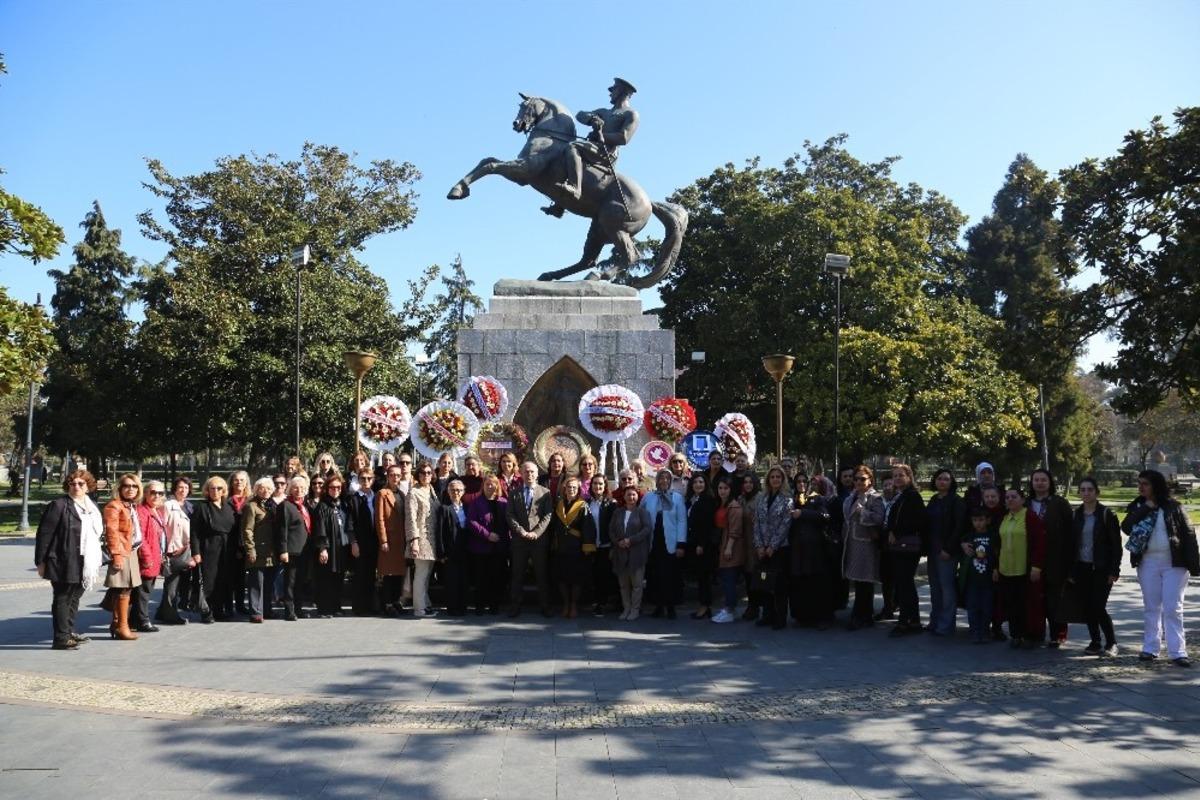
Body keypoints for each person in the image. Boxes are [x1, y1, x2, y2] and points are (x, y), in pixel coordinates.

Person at [1123, 469, 1200, 666]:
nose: (1140, 487)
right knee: (1152, 607)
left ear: (1156, 485)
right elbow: (1126, 526)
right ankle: (1150, 648)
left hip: (1174, 563)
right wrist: (1146, 508)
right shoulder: (1138, 505)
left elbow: (1189, 535)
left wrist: (1194, 564)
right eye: (1139, 483)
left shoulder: (1174, 507)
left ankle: (1177, 651)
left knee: (1173, 607)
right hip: (1147, 563)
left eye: (1145, 484)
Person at [34, 469, 103, 649]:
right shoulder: (59, 505)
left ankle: (69, 631)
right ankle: (61, 638)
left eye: (81, 484)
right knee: (63, 597)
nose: (76, 487)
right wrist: (40, 562)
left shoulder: (91, 506)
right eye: (72, 484)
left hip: (85, 559)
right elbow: (44, 534)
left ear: (88, 487)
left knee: (74, 597)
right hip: (62, 558)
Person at [553, 77, 639, 203]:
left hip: (606, 152)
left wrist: (601, 135)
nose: (610, 93)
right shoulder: (604, 112)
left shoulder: (630, 114)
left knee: (573, 147)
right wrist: (592, 118)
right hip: (593, 147)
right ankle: (560, 204)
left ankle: (575, 188)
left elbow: (624, 138)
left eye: (613, 90)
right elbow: (580, 115)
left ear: (621, 91)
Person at [1071, 477, 1122, 655]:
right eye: (1083, 490)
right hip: (1081, 567)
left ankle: (1112, 642)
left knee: (1098, 606)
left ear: (1096, 492)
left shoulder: (1107, 514)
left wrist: (1114, 570)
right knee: (1087, 606)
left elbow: (1116, 545)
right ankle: (1095, 641)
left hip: (1101, 568)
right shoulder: (1076, 515)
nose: (1086, 493)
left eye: (1090, 489)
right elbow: (1072, 544)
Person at [1027, 468, 1075, 647]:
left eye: (1043, 480)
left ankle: (1057, 634)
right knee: (1035, 599)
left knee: (1055, 600)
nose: (1039, 483)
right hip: (1031, 559)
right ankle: (1035, 633)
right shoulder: (1026, 503)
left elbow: (1070, 532)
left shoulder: (1060, 503)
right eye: (1036, 480)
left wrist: (1070, 562)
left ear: (1050, 483)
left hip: (1056, 559)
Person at [996, 487, 1047, 649]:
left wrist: (1036, 566)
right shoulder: (1004, 518)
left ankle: (1031, 634)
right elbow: (998, 545)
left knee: (1027, 604)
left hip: (1024, 569)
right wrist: (996, 567)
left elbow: (1040, 543)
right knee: (1011, 605)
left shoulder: (1029, 517)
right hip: (1006, 569)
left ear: (1022, 499)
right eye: (1007, 497)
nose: (1010, 500)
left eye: (1014, 497)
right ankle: (1016, 635)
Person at [883, 464, 926, 637]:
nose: (898, 479)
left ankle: (905, 621)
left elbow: (917, 521)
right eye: (895, 476)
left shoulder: (913, 496)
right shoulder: (900, 496)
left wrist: (896, 532)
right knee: (904, 583)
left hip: (907, 546)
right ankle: (913, 620)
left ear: (909, 477)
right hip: (898, 545)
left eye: (901, 475)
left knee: (905, 583)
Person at [508, 460, 554, 617]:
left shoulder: (545, 492)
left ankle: (545, 605)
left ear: (537, 474)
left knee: (541, 574)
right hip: (519, 541)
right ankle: (515, 605)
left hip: (538, 541)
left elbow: (548, 515)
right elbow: (510, 515)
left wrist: (536, 533)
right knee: (517, 574)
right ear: (521, 473)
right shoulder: (514, 493)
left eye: (532, 472)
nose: (529, 474)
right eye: (526, 471)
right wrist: (520, 531)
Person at [842, 466, 885, 630]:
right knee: (858, 581)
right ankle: (863, 614)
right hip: (851, 543)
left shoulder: (875, 498)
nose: (859, 482)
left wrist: (863, 513)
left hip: (866, 544)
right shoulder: (851, 497)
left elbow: (879, 518)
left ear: (870, 480)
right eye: (856, 479)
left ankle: (861, 615)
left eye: (862, 479)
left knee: (865, 581)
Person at [102, 473, 144, 640]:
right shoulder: (114, 506)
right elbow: (111, 533)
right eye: (127, 486)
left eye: (134, 486)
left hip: (131, 551)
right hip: (122, 551)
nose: (131, 489)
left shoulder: (130, 506)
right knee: (122, 588)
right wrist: (117, 555)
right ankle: (122, 627)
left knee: (127, 587)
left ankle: (117, 623)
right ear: (119, 488)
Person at [789, 473, 833, 629]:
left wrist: (803, 514)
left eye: (804, 481)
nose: (801, 484)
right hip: (797, 548)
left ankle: (822, 617)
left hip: (814, 548)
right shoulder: (792, 500)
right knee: (801, 582)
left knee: (816, 582)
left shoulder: (817, 498)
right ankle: (803, 615)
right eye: (798, 481)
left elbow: (825, 516)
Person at [925, 468, 967, 637]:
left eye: (946, 479)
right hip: (932, 550)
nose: (942, 481)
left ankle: (946, 625)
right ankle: (934, 621)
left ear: (951, 482)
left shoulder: (956, 501)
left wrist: (949, 549)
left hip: (947, 552)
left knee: (947, 588)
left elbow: (959, 527)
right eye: (940, 478)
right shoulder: (934, 499)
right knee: (934, 588)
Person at [190, 475, 236, 624]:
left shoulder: (229, 507)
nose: (216, 491)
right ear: (207, 491)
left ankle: (218, 609)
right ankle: (206, 611)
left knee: (223, 579)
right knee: (208, 580)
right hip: (209, 548)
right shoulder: (202, 507)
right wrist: (196, 552)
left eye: (219, 488)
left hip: (227, 548)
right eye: (212, 488)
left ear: (224, 491)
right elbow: (195, 531)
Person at [642, 469, 687, 618]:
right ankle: (658, 606)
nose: (664, 481)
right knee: (655, 575)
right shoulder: (649, 497)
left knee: (669, 575)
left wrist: (681, 544)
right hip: (654, 541)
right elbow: (641, 515)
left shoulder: (677, 498)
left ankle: (671, 606)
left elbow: (682, 521)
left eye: (667, 479)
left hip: (671, 541)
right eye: (661, 478)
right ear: (657, 480)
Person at [753, 465, 793, 630]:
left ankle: (780, 617)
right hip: (762, 548)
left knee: (779, 585)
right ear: (768, 480)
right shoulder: (761, 498)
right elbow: (756, 523)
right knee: (764, 583)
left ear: (782, 480)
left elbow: (785, 525)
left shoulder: (787, 500)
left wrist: (772, 546)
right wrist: (759, 545)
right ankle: (767, 614)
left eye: (778, 477)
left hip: (779, 549)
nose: (775, 479)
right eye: (772, 477)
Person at [312, 474, 354, 617]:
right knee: (326, 578)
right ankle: (325, 608)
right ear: (327, 489)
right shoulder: (322, 506)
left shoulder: (342, 504)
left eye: (338, 487)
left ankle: (336, 606)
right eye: (332, 487)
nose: (335, 490)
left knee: (338, 578)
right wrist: (323, 548)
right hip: (329, 548)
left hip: (341, 547)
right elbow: (320, 528)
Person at [467, 474, 509, 615]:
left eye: (493, 484)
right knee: (481, 578)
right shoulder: (476, 502)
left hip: (499, 547)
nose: (490, 486)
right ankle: (480, 606)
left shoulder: (503, 502)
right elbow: (471, 522)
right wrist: (487, 535)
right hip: (481, 547)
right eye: (487, 484)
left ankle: (494, 605)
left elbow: (508, 523)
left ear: (498, 486)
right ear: (483, 486)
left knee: (496, 577)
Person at [610, 485, 652, 621]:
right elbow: (611, 530)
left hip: (637, 554)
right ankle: (626, 608)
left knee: (637, 585)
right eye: (628, 494)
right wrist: (618, 542)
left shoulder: (642, 512)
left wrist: (630, 540)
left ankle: (635, 610)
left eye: (633, 494)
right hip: (620, 553)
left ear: (637, 497)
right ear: (624, 496)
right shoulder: (618, 512)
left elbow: (647, 529)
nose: (631, 497)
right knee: (623, 585)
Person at [131, 480, 167, 633]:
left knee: (145, 590)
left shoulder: (156, 511)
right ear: (145, 493)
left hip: (155, 556)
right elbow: (141, 538)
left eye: (160, 493)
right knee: (143, 592)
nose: (156, 496)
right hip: (147, 558)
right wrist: (147, 557)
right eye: (153, 492)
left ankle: (134, 620)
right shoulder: (142, 511)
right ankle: (143, 621)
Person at [275, 475, 311, 621]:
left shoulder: (303, 505)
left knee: (300, 581)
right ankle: (289, 611)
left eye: (302, 488)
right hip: (291, 550)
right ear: (290, 489)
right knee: (290, 581)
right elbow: (282, 529)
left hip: (303, 550)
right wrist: (283, 550)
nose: (299, 490)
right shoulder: (286, 506)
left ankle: (298, 608)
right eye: (296, 487)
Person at [551, 476, 589, 618]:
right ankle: (566, 603)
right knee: (562, 578)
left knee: (575, 579)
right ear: (564, 489)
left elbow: (587, 528)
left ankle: (573, 604)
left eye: (574, 487)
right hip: (561, 547)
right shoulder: (559, 505)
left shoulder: (583, 506)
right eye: (569, 487)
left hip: (576, 548)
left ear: (578, 489)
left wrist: (587, 547)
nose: (571, 489)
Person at [158, 476, 194, 625]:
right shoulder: (168, 505)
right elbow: (162, 529)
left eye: (186, 488)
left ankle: (162, 611)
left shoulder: (190, 506)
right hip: (174, 550)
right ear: (174, 488)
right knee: (172, 583)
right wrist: (164, 551)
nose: (183, 490)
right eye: (180, 487)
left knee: (178, 583)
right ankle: (170, 614)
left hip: (187, 549)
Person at [406, 461, 440, 617]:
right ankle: (419, 608)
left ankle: (425, 603)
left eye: (428, 472)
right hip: (420, 539)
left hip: (432, 538)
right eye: (422, 473)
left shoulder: (431, 491)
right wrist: (413, 540)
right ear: (417, 475)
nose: (426, 475)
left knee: (427, 574)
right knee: (421, 573)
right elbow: (410, 518)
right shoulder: (414, 492)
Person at [375, 463, 409, 615]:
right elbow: (379, 519)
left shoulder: (401, 494)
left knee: (399, 573)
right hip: (389, 539)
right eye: (392, 475)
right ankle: (387, 603)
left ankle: (396, 601)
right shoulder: (382, 493)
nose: (395, 477)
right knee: (388, 573)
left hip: (400, 540)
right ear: (387, 477)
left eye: (398, 475)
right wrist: (383, 540)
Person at [242, 477, 277, 623]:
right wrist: (250, 550)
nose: (266, 491)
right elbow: (247, 530)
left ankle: (267, 610)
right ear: (256, 489)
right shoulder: (251, 506)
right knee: (256, 583)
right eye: (262, 488)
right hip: (258, 550)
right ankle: (256, 612)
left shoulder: (272, 505)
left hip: (271, 551)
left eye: (269, 488)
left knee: (268, 583)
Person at [962, 506, 999, 644]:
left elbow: (997, 554)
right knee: (972, 606)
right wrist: (962, 544)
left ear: (988, 520)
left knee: (987, 606)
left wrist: (996, 569)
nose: (978, 523)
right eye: (975, 520)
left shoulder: (993, 536)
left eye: (981, 520)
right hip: (972, 578)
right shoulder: (969, 536)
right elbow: (962, 543)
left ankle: (985, 630)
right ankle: (974, 630)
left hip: (988, 578)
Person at [435, 478, 472, 615]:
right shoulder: (444, 509)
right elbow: (439, 532)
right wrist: (441, 553)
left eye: (458, 490)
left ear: (463, 492)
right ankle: (452, 607)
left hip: (465, 550)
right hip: (450, 552)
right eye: (453, 490)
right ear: (448, 492)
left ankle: (463, 607)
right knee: (452, 581)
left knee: (463, 580)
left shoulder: (468, 508)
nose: (456, 493)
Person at [712, 477, 746, 624]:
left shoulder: (734, 507)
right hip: (722, 544)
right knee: (726, 579)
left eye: (725, 488)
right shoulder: (722, 504)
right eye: (720, 488)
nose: (722, 491)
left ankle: (730, 610)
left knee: (729, 579)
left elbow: (735, 530)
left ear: (731, 490)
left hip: (731, 547)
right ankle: (728, 608)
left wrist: (729, 547)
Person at [685, 473, 718, 619]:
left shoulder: (708, 500)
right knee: (700, 576)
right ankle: (703, 605)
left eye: (701, 482)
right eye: (696, 482)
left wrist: (701, 544)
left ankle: (705, 606)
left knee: (704, 577)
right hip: (692, 543)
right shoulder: (691, 500)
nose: (699, 484)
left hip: (703, 545)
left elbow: (707, 525)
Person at [583, 473, 617, 615]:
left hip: (605, 545)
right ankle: (594, 601)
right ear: (591, 486)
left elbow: (614, 527)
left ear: (605, 487)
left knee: (603, 575)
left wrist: (613, 546)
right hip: (591, 546)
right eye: (595, 484)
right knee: (592, 574)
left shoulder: (611, 504)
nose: (597, 486)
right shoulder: (586, 503)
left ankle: (602, 603)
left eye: (600, 484)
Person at [347, 467, 379, 616]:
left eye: (369, 478)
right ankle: (359, 607)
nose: (366, 481)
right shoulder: (353, 498)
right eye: (363, 478)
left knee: (371, 575)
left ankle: (369, 605)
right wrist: (353, 542)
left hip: (374, 542)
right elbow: (350, 523)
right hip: (360, 543)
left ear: (373, 480)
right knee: (360, 575)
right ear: (358, 480)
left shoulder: (376, 497)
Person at [226, 470, 251, 617]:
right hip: (229, 543)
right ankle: (229, 606)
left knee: (242, 578)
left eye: (242, 480)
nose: (239, 482)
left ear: (246, 482)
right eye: (236, 480)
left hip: (245, 544)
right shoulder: (226, 500)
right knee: (230, 577)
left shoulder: (250, 500)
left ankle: (241, 605)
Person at [739, 473, 762, 621]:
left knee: (758, 576)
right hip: (744, 542)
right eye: (745, 482)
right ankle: (751, 606)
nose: (748, 485)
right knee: (748, 576)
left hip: (757, 542)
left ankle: (759, 607)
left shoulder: (760, 498)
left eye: (750, 482)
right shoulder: (741, 499)